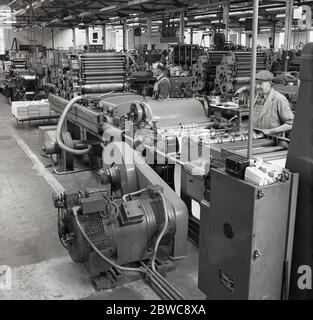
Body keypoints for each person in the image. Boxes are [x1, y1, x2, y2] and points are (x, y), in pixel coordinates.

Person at [253, 70, 294, 136]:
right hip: (257, 137)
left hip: (272, 140)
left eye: (261, 83)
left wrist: (270, 131)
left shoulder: (279, 99)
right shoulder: (256, 97)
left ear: (269, 83)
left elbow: (291, 124)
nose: (257, 86)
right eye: (256, 83)